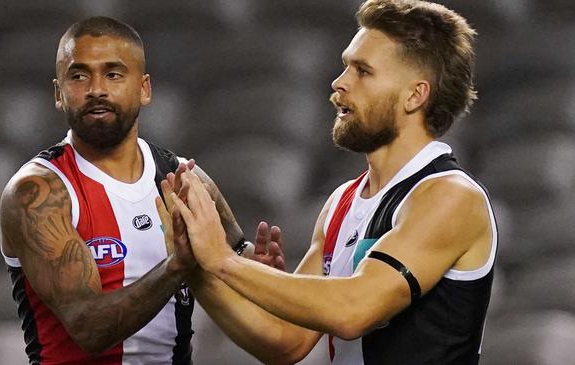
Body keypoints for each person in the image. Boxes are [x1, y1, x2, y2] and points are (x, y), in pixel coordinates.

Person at [162, 1, 497, 364]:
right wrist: (194, 264)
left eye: (363, 71)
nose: (339, 83)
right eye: (345, 66)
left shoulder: (450, 196)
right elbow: (285, 341)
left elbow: (353, 310)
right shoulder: (342, 202)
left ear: (415, 95)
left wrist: (225, 261)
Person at [0, 16, 284, 365]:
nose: (96, 89)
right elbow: (88, 329)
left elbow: (235, 257)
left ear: (144, 89)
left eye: (113, 74)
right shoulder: (37, 193)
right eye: (79, 75)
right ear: (59, 94)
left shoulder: (184, 180)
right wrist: (176, 267)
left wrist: (260, 273)